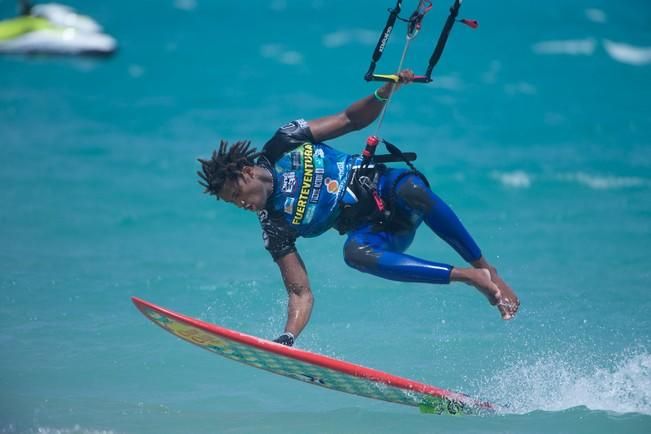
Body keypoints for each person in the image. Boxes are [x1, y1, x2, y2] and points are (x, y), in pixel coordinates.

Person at [198, 70, 519, 347]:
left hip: (390, 189)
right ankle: (468, 276)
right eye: (232, 203)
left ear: (246, 171)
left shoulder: (285, 142)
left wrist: (385, 91)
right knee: (354, 253)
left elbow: (351, 120)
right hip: (380, 233)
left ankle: (489, 271)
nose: (241, 204)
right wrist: (287, 337)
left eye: (237, 193)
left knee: (413, 189)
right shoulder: (275, 226)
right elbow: (300, 293)